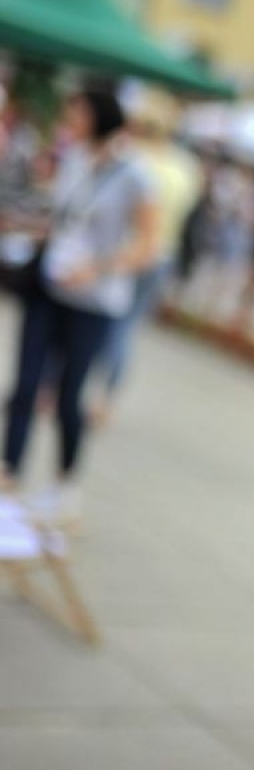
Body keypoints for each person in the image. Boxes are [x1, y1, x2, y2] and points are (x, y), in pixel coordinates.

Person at [1, 89, 158, 526]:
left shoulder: (135, 175)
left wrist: (99, 268)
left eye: (79, 110)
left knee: (69, 394)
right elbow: (63, 219)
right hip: (50, 285)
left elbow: (150, 245)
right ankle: (7, 475)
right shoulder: (73, 159)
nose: (71, 117)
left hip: (94, 300)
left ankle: (65, 485)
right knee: (25, 384)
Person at [89, 98, 203, 424]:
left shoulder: (134, 160)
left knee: (99, 323)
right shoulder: (186, 166)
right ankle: (106, 399)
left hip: (127, 252)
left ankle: (76, 388)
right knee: (125, 329)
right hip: (163, 255)